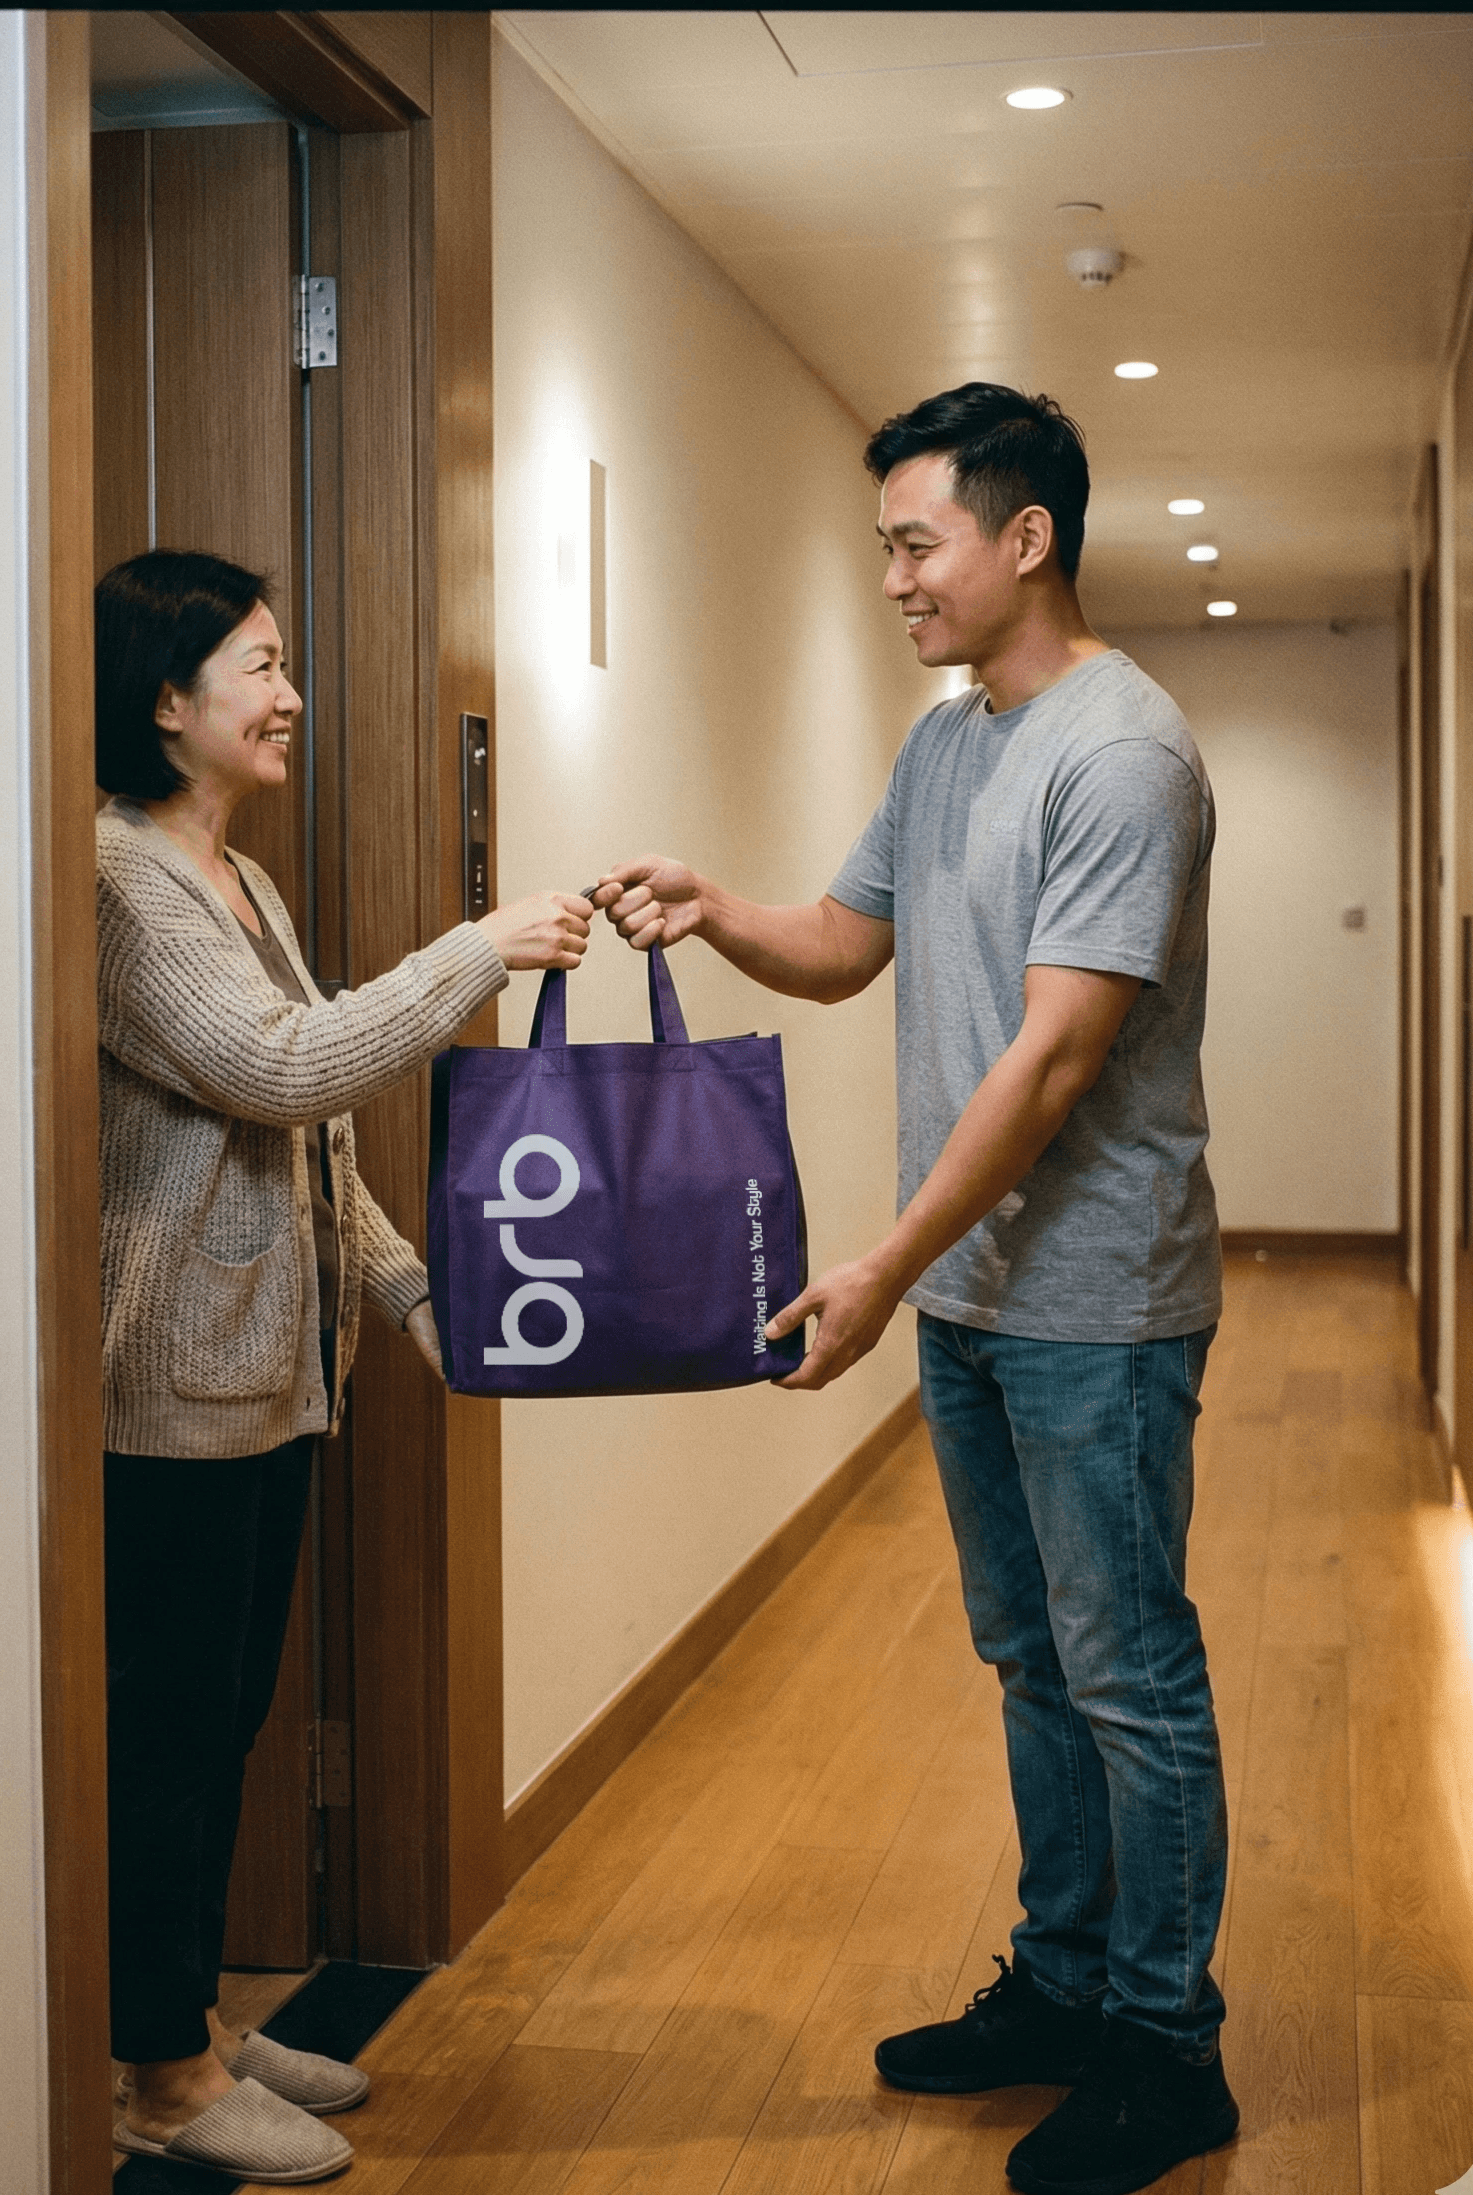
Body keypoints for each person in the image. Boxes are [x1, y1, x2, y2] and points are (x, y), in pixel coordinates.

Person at [595, 384, 1237, 2195]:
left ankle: (1165, 2046)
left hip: (1094, 1301)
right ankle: (1060, 1983)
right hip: (970, 1293)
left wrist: (880, 1260)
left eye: (911, 539)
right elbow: (840, 945)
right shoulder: (949, 743)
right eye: (883, 543)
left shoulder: (1121, 755)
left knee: (1127, 1674)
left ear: (1024, 536)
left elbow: (1045, 1067)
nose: (889, 576)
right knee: (1030, 1657)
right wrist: (716, 905)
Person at [95, 549, 593, 2184]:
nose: (288, 692)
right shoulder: (114, 876)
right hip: (167, 1396)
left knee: (226, 1714)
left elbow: (313, 1149)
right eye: (258, 664)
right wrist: (479, 953)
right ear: (165, 700)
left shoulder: (240, 879)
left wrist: (405, 1293)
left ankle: (180, 2019)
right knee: (171, 1732)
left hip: (276, 1374)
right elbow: (277, 1067)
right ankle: (155, 2074)